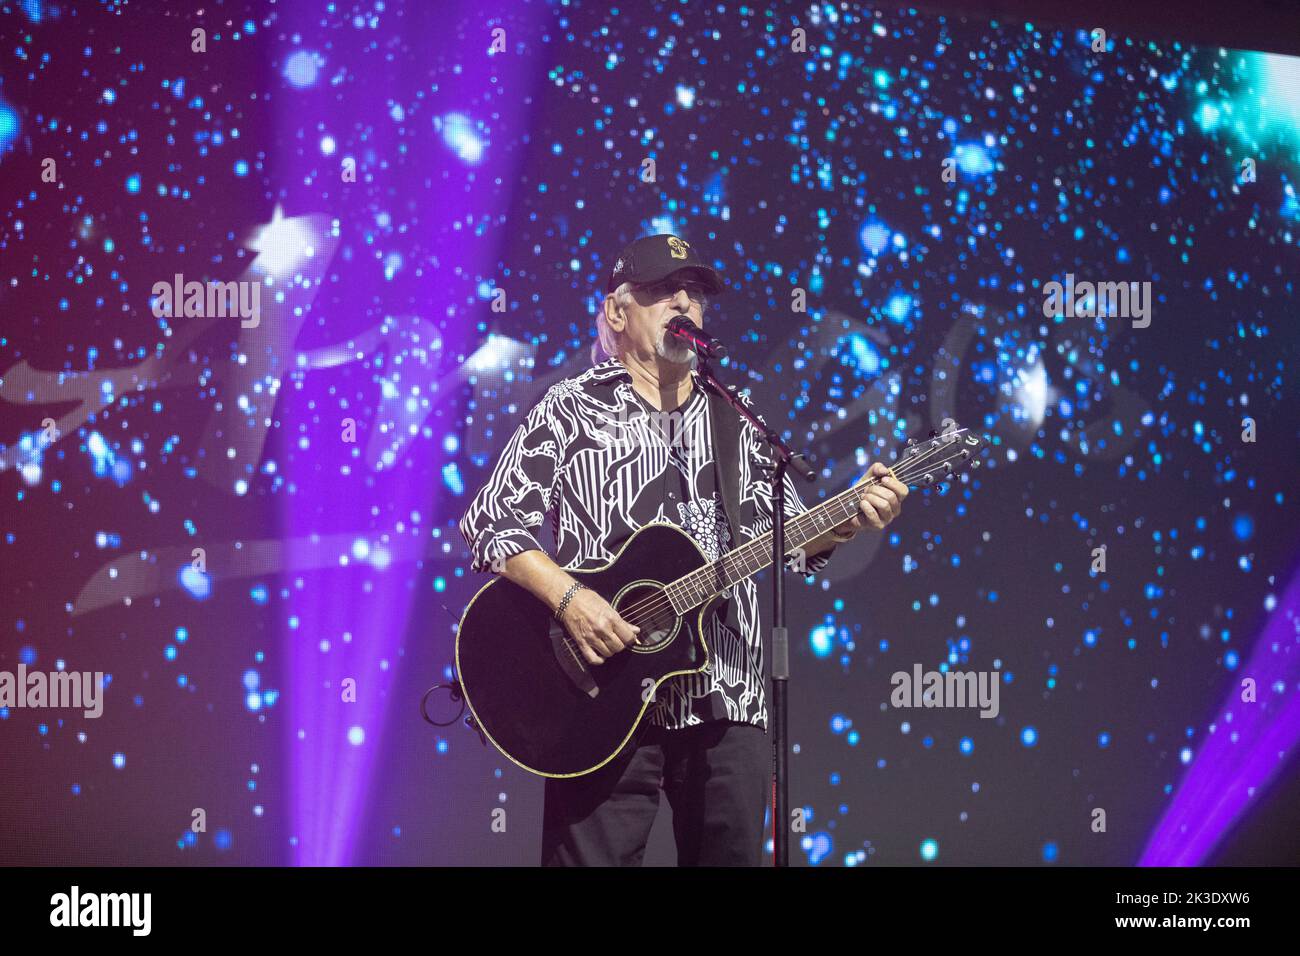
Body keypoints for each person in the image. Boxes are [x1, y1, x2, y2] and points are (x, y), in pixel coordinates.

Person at [458, 233, 908, 865]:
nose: (684, 304)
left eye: (693, 294)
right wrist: (572, 599)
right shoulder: (572, 409)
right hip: (601, 702)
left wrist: (852, 516)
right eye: (662, 292)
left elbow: (793, 539)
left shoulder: (735, 417)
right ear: (617, 313)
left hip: (727, 696)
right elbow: (491, 523)